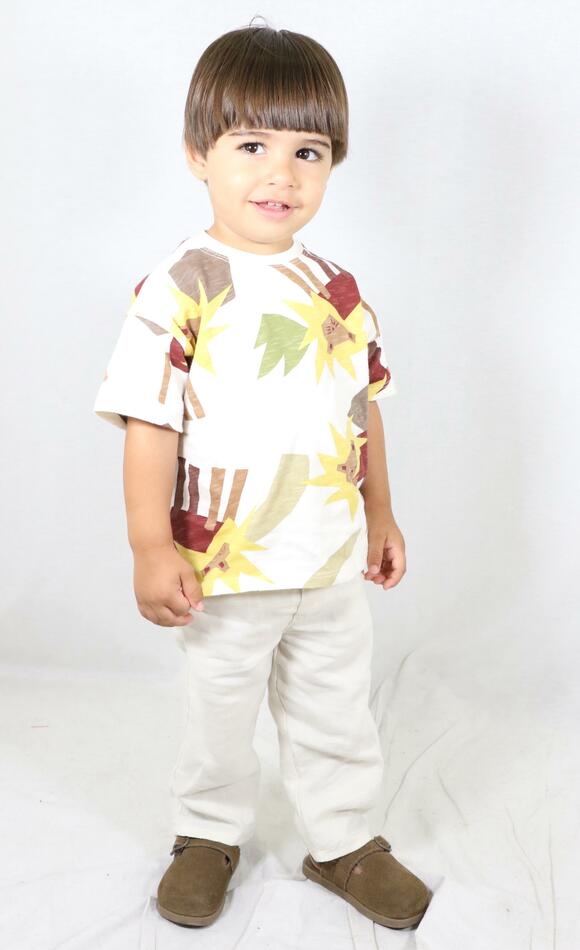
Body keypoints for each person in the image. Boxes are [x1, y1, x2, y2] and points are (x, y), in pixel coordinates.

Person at [93, 18, 432, 932]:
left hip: (328, 557)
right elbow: (150, 423)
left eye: (307, 152)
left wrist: (382, 513)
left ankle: (344, 840)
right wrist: (149, 544)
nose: (280, 174)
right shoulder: (180, 286)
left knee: (336, 709)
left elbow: (363, 408)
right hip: (225, 564)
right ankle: (206, 835)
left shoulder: (336, 287)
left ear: (332, 164)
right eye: (252, 146)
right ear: (198, 153)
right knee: (219, 709)